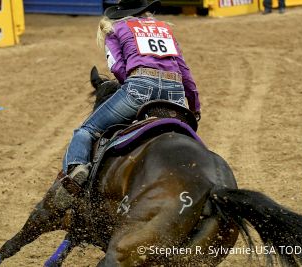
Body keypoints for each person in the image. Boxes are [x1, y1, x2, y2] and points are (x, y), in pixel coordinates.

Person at [58, 0, 201, 201]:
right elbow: (185, 71)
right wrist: (194, 106)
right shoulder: (164, 29)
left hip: (139, 87)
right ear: (145, 10)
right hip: (175, 93)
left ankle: (75, 174)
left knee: (86, 131)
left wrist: (132, 85)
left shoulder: (116, 28)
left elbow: (117, 67)